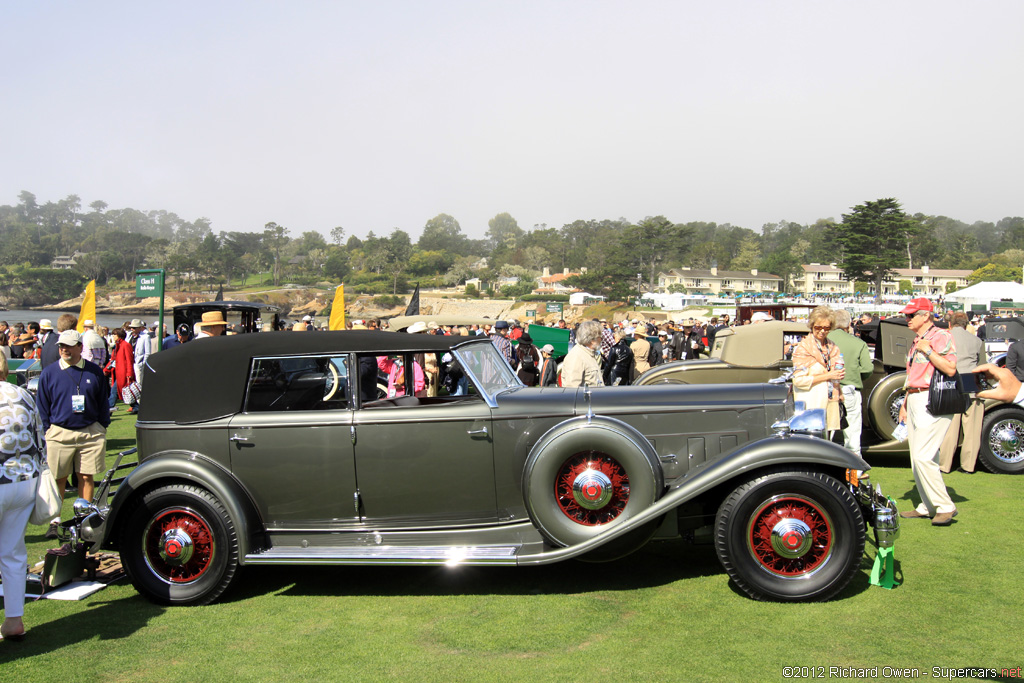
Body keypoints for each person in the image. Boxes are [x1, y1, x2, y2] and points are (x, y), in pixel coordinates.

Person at [36, 330, 111, 537]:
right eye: (61, 346)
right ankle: (55, 522)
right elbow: (42, 406)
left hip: (90, 433)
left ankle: (82, 520)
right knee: (58, 479)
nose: (64, 349)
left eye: (69, 346)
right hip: (59, 432)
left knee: (86, 476)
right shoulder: (49, 373)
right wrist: (48, 430)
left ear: (80, 347)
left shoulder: (94, 371)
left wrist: (102, 425)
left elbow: (102, 401)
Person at [896, 298, 959, 526]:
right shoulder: (918, 339)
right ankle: (928, 505)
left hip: (932, 398)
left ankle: (945, 506)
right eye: (907, 315)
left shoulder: (940, 336)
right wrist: (905, 402)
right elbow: (913, 373)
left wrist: (929, 351)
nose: (907, 319)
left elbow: (951, 368)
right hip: (915, 396)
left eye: (911, 315)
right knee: (919, 458)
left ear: (926, 316)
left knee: (923, 456)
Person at [0, 378, 47, 642]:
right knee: (13, 553)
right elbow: (40, 434)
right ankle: (14, 619)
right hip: (25, 479)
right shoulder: (22, 394)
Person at [938, 311, 985, 473]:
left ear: (950, 323)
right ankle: (968, 465)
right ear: (966, 324)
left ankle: (944, 464)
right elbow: (982, 365)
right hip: (971, 380)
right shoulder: (977, 340)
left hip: (952, 380)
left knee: (950, 426)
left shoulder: (945, 337)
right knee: (972, 427)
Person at [791, 306, 844, 441]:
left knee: (829, 441)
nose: (822, 331)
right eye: (818, 327)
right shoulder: (803, 348)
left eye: (826, 328)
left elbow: (835, 375)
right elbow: (798, 380)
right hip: (811, 407)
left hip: (831, 403)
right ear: (812, 326)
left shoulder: (833, 347)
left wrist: (839, 388)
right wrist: (828, 376)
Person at [828, 309, 873, 455]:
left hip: (825, 389)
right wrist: (854, 376)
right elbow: (867, 369)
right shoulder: (858, 343)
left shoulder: (822, 340)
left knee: (824, 432)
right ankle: (854, 472)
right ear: (848, 325)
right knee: (852, 434)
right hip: (849, 388)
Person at [561, 320, 604, 387]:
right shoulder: (576, 357)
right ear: (592, 340)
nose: (601, 340)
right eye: (600, 337)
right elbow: (572, 390)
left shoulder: (589, 354)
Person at [106, 328, 137, 412]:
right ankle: (136, 406)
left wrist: (129, 373)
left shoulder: (125, 345)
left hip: (124, 373)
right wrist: (106, 369)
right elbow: (113, 360)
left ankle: (109, 408)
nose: (112, 336)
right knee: (124, 391)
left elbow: (129, 360)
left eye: (114, 334)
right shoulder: (117, 346)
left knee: (115, 391)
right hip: (119, 373)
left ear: (119, 335)